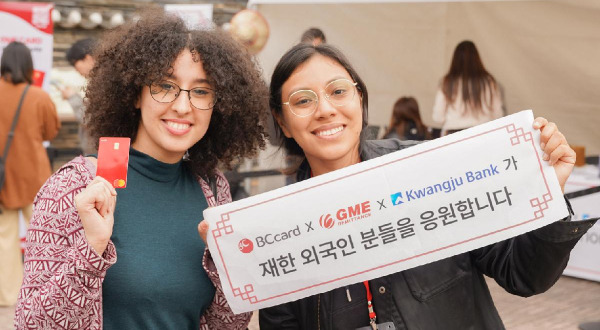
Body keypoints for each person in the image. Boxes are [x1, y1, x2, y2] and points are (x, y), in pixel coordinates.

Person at [257, 43, 597, 329]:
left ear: (360, 99)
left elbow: (524, 275)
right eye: (303, 100)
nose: (326, 110)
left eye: (338, 91)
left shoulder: (431, 171)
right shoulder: (278, 232)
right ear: (282, 122)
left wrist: (548, 190)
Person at [15, 10, 267, 329]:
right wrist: (90, 250)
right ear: (135, 94)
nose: (182, 105)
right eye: (165, 85)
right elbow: (31, 323)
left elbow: (228, 324)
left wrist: (227, 265)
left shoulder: (214, 190)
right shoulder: (75, 187)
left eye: (201, 91)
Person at [0, 42, 60, 307]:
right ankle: (46, 293)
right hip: (35, 176)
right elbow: (51, 132)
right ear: (28, 65)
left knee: (4, 239)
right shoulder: (38, 96)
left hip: (3, 177)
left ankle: (8, 297)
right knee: (46, 237)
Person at [432, 40, 503, 136]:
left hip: (452, 135)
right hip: (483, 133)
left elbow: (438, 117)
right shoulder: (489, 81)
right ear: (477, 58)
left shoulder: (447, 81)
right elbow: (498, 114)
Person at [60, 38, 97, 154]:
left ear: (88, 58)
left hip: (101, 154)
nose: (76, 70)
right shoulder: (101, 81)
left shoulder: (105, 83)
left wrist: (73, 98)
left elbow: (89, 120)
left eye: (75, 64)